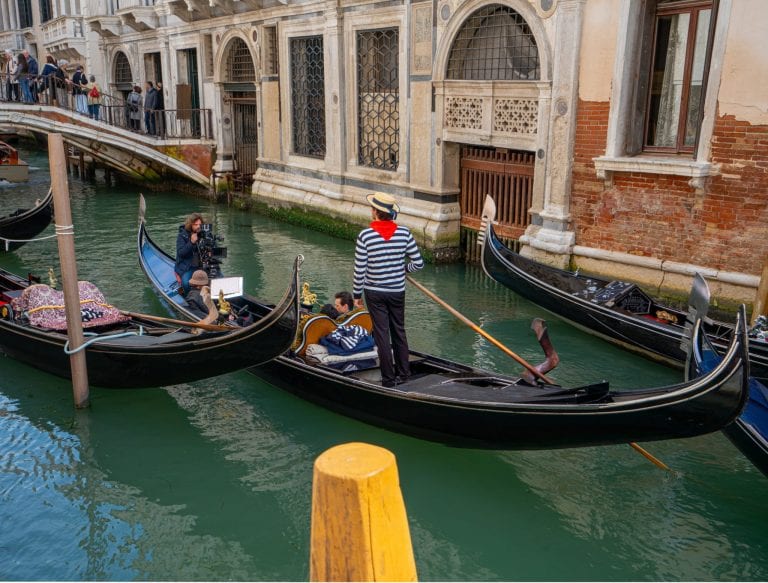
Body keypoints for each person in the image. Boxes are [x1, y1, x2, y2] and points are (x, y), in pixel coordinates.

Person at [352, 193, 424, 387]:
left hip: (374, 292)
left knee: (382, 334)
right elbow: (418, 263)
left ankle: (388, 379)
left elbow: (360, 270)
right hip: (396, 291)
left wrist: (356, 296)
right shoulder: (404, 233)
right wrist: (403, 269)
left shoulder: (365, 235)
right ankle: (404, 374)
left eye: (372, 208)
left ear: (375, 212)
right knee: (399, 331)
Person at [175, 212, 204, 294]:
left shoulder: (204, 234)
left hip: (201, 265)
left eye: (200, 224)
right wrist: (191, 242)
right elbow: (181, 253)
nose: (198, 226)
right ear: (190, 225)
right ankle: (190, 298)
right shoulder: (182, 236)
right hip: (187, 266)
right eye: (196, 224)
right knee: (186, 284)